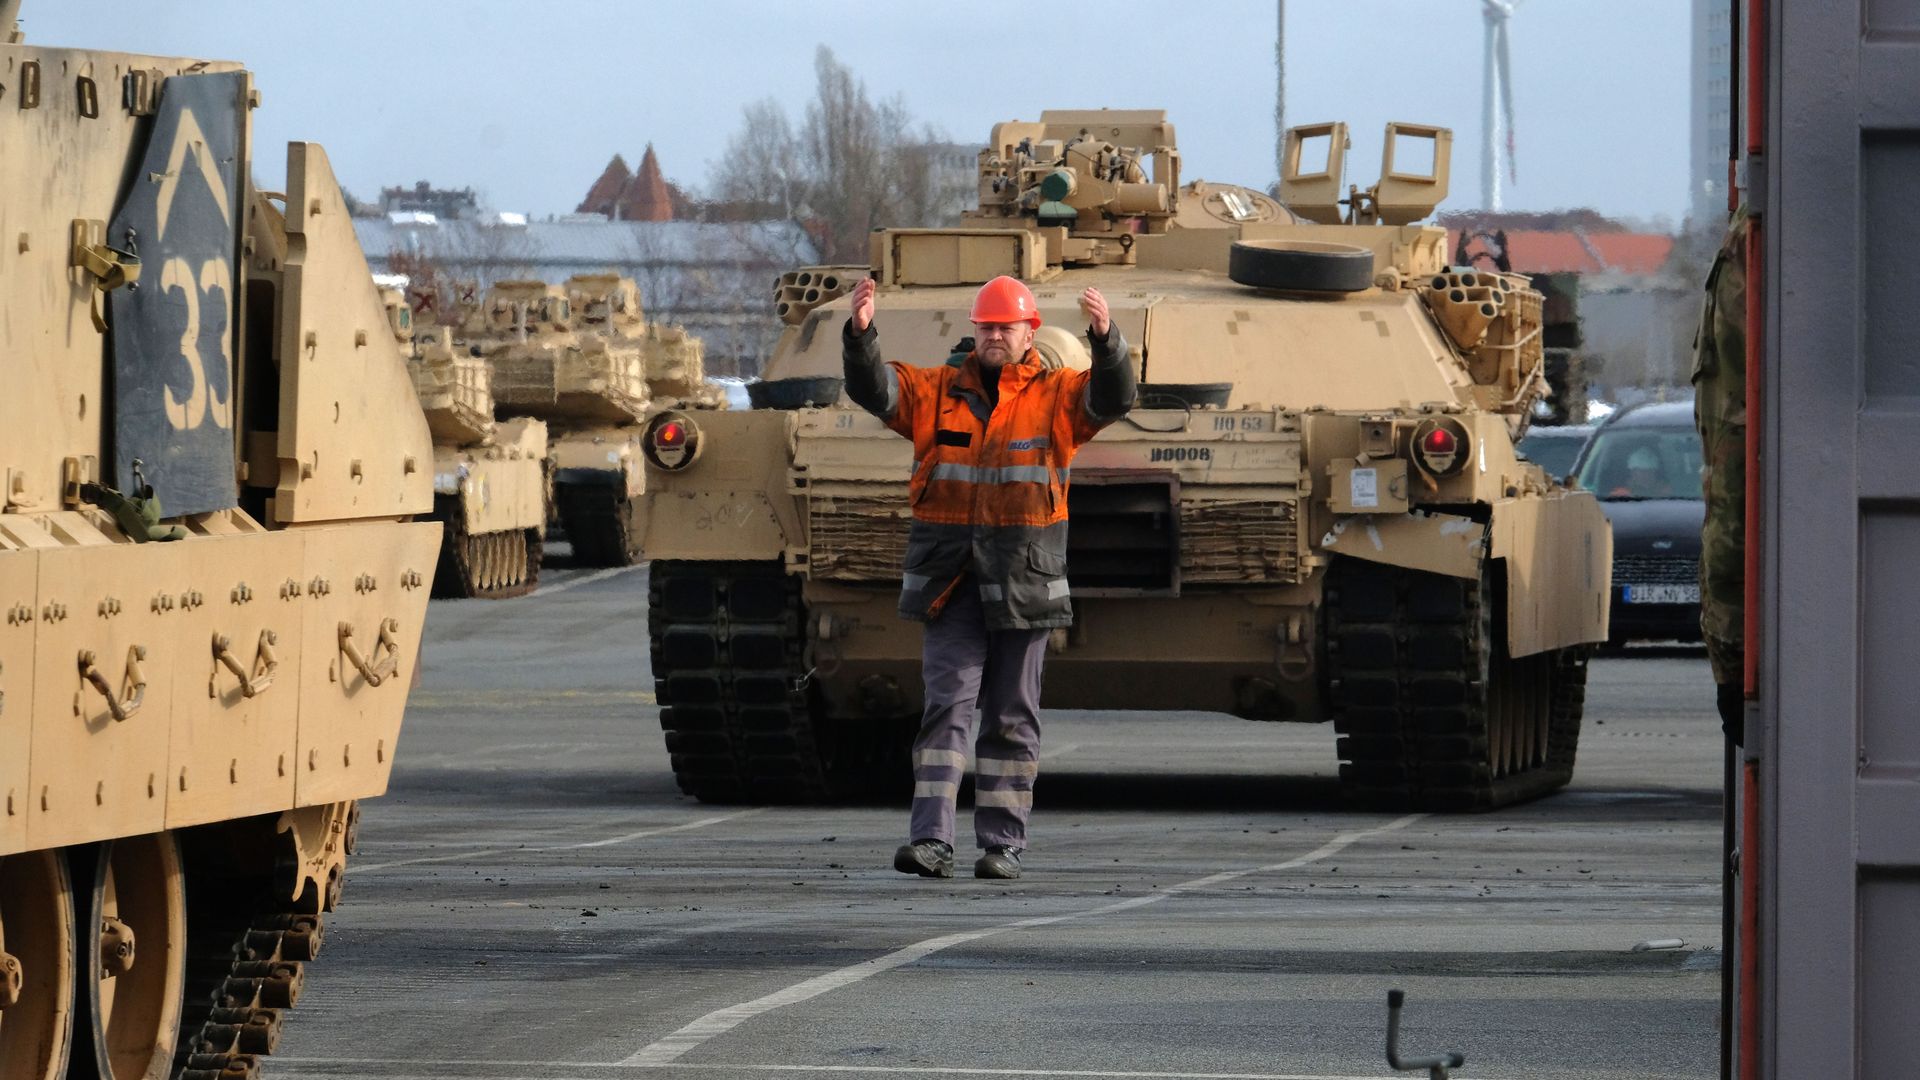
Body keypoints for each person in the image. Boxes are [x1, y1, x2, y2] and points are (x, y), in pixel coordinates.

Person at [842, 273, 1135, 880]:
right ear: (974, 332)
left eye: (1007, 326)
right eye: (987, 327)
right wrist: (861, 336)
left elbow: (1113, 399)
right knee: (947, 705)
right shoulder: (936, 391)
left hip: (1025, 581)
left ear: (1030, 333)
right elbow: (878, 392)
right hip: (951, 581)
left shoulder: (1057, 395)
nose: (996, 335)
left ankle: (1003, 844)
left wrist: (1107, 341)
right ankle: (932, 841)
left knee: (1010, 713)